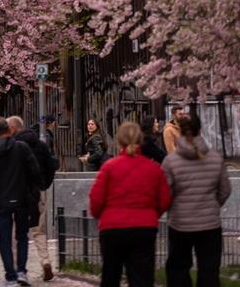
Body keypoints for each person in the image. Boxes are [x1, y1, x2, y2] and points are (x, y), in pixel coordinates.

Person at [89, 122, 171, 287]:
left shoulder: (109, 168)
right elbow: (164, 200)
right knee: (142, 277)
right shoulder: (153, 169)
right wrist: (151, 215)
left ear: (119, 142)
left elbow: (96, 200)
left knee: (111, 275)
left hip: (112, 229)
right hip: (144, 229)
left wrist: (101, 216)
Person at [162, 114, 232, 287]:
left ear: (180, 132)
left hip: (180, 224)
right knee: (209, 270)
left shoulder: (171, 161)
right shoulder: (215, 158)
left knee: (178, 268)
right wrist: (214, 204)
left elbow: (165, 194)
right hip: (210, 224)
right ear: (200, 130)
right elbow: (225, 189)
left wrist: (172, 208)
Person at [0, 116, 42, 287]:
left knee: (4, 239)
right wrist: (32, 192)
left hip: (2, 200)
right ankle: (21, 271)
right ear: (9, 130)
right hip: (22, 198)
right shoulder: (21, 148)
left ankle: (10, 275)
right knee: (22, 237)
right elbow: (34, 170)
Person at [9, 116, 59, 282]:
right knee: (39, 230)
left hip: (17, 194)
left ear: (13, 129)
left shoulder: (12, 146)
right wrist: (44, 185)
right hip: (38, 192)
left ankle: (18, 269)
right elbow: (52, 165)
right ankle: (45, 261)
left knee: (16, 232)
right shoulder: (41, 145)